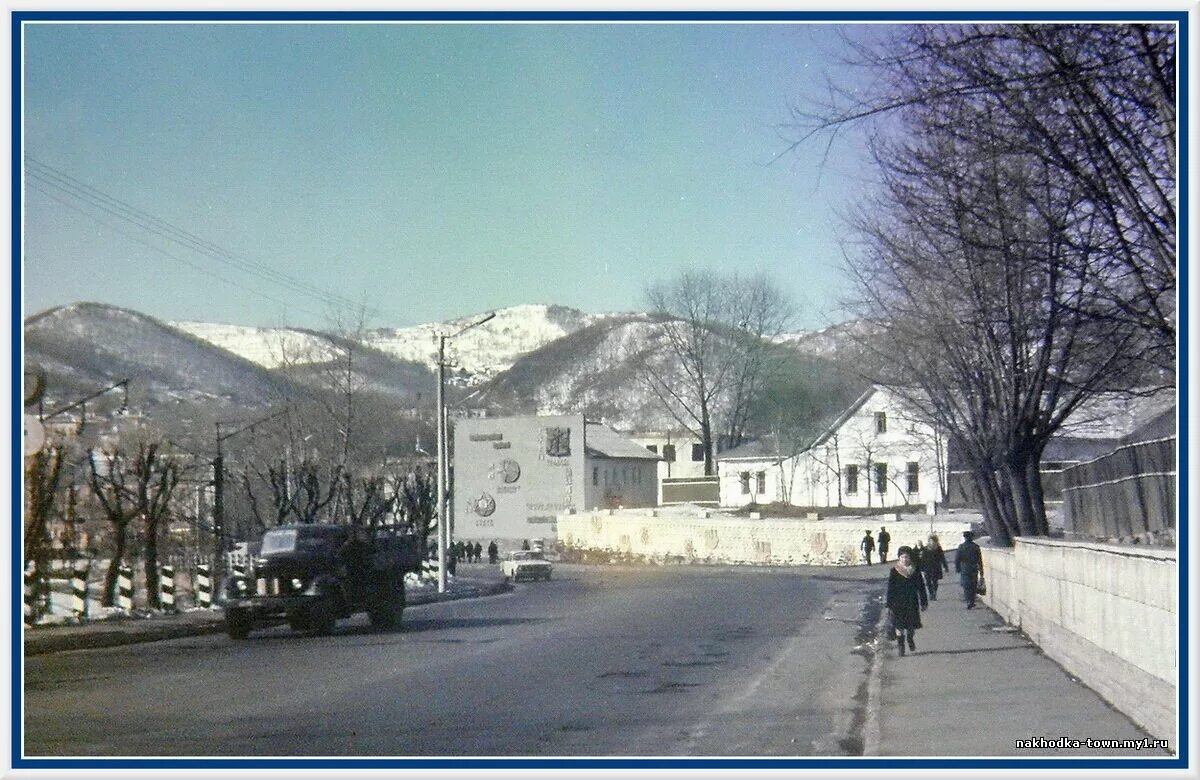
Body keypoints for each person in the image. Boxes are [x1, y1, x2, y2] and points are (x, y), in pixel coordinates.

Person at [886, 546, 928, 657]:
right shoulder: (894, 571)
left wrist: (924, 601)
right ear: (899, 558)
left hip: (911, 602)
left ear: (910, 558)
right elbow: (891, 588)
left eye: (907, 557)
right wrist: (889, 603)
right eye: (902, 557)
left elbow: (921, 587)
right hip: (897, 603)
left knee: (911, 627)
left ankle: (910, 638)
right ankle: (901, 646)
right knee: (899, 626)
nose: (905, 559)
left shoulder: (915, 571)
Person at [955, 530, 984, 609]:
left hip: (964, 568)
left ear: (964, 537)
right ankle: (972, 601)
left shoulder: (961, 547)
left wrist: (958, 568)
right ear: (972, 537)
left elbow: (957, 559)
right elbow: (980, 560)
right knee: (973, 585)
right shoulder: (976, 547)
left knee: (966, 585)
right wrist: (981, 572)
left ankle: (968, 600)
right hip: (974, 568)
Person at [921, 534, 949, 600]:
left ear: (936, 541)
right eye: (930, 540)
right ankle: (931, 593)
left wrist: (945, 567)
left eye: (933, 540)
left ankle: (934, 593)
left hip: (935, 567)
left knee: (934, 581)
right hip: (927, 567)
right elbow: (923, 559)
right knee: (928, 582)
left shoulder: (938, 548)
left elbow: (942, 558)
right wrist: (921, 568)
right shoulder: (925, 548)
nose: (932, 542)